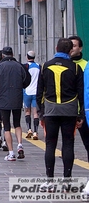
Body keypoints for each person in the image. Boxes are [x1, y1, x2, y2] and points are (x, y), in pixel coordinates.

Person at [36, 38, 84, 189]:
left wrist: (41, 112)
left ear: (56, 48)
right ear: (70, 51)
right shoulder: (76, 68)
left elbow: (39, 92)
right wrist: (81, 114)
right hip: (69, 110)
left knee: (50, 144)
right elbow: (81, 93)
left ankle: (49, 180)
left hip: (50, 110)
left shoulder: (45, 66)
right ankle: (67, 180)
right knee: (68, 144)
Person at [0, 46, 31, 161]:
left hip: (3, 98)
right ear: (12, 54)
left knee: (6, 126)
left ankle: (11, 153)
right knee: (17, 123)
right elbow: (27, 80)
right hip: (17, 97)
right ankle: (20, 145)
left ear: (3, 56)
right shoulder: (19, 66)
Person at [68, 35, 89, 161]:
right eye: (70, 46)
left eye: (74, 46)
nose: (72, 49)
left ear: (80, 48)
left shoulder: (86, 66)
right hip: (67, 110)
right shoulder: (62, 64)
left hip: (83, 112)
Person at [23, 51, 41, 140]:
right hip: (36, 92)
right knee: (35, 112)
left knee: (27, 111)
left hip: (27, 91)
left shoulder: (25, 66)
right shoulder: (39, 66)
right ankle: (36, 131)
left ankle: (29, 129)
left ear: (27, 56)